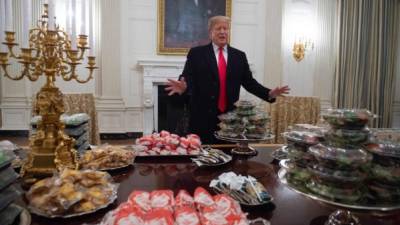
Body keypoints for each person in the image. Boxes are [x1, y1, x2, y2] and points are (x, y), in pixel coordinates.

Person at [165, 16, 290, 144]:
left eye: (225, 28)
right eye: (218, 28)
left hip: (230, 123)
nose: (222, 31)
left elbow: (249, 83)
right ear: (210, 32)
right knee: (202, 159)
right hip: (202, 120)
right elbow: (186, 79)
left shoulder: (239, 56)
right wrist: (184, 89)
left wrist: (269, 93)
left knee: (229, 158)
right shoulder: (196, 53)